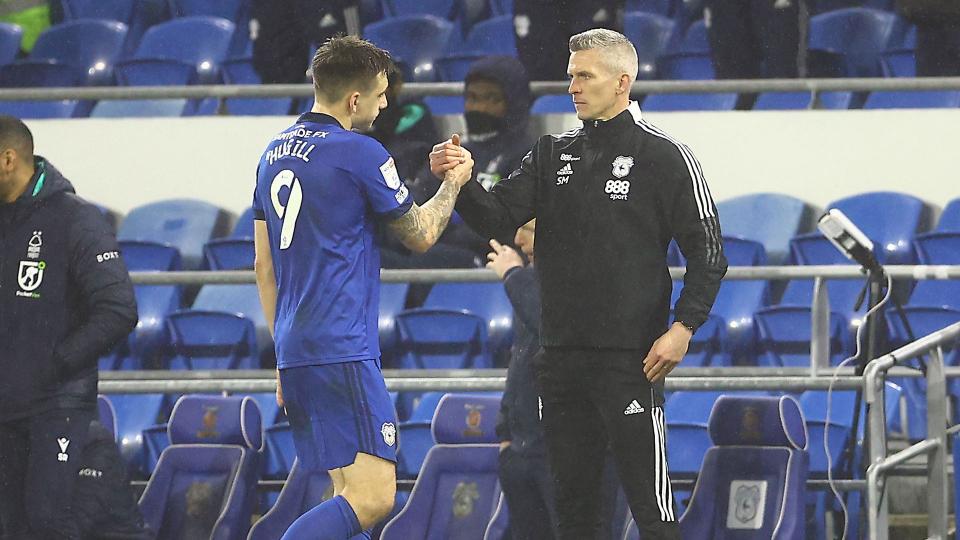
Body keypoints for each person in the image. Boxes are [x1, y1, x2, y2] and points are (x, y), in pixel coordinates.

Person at [432, 29, 728, 538]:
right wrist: (460, 181)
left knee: (651, 507)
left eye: (584, 76)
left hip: (632, 358)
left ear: (622, 82)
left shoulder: (666, 155)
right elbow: (500, 217)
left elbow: (709, 253)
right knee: (571, 511)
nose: (572, 86)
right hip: (560, 358)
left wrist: (683, 328)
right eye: (570, 75)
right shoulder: (552, 152)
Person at [251, 36, 474, 540]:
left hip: (295, 345)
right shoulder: (359, 151)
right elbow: (420, 236)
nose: (386, 102)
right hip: (342, 345)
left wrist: (283, 355)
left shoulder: (271, 155)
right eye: (379, 93)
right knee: (373, 499)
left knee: (344, 494)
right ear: (354, 100)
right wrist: (453, 184)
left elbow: (263, 264)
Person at [0, 115, 139, 539]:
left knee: (47, 522)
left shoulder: (74, 220)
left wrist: (53, 363)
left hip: (55, 407)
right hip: (5, 409)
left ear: (7, 160)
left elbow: (119, 309)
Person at [407, 55, 536, 260]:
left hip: (491, 258)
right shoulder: (454, 150)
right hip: (439, 249)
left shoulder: (529, 156)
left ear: (514, 102)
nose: (479, 108)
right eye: (472, 98)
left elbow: (508, 225)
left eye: (492, 99)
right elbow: (419, 201)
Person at [486, 220, 560, 540]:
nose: (518, 239)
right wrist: (506, 435)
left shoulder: (589, 279)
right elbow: (520, 360)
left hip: (567, 452)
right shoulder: (531, 282)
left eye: (528, 228)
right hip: (523, 448)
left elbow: (552, 329)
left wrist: (514, 276)